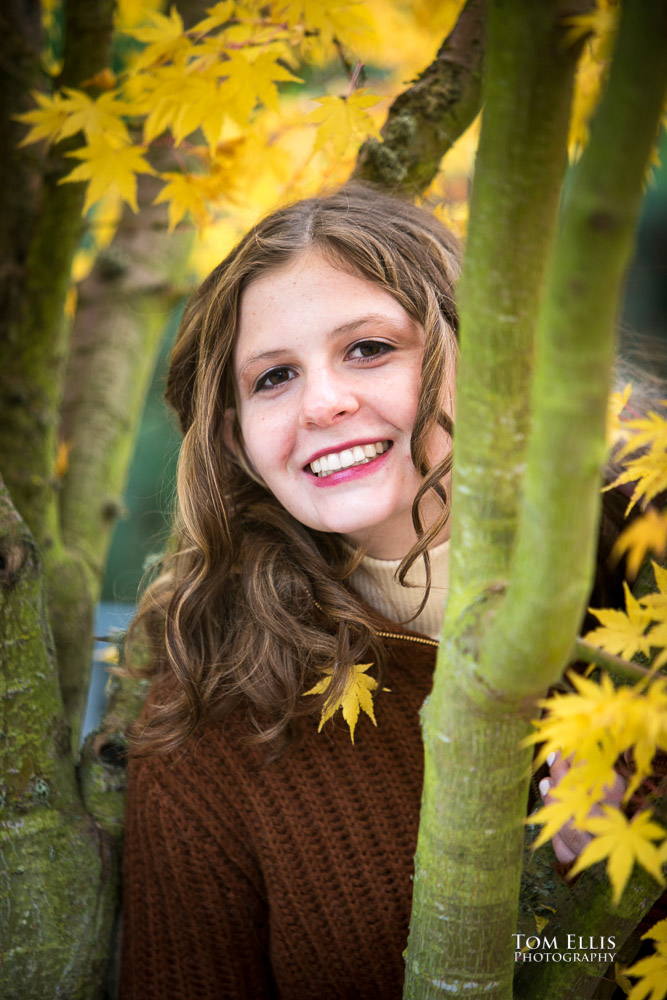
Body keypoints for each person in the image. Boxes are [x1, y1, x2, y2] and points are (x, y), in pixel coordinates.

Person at [119, 185, 632, 1000]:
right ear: (236, 439)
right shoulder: (216, 709)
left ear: (487, 357)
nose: (323, 402)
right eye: (274, 377)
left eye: (368, 349)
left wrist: (615, 884)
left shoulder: (645, 564)